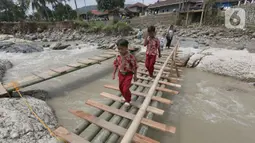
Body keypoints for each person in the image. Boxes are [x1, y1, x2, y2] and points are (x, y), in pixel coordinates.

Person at [112, 39, 138, 106]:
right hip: (121, 74)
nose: (120, 50)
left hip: (128, 74)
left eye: (122, 49)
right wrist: (114, 73)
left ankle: (128, 100)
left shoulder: (130, 57)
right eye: (119, 49)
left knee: (125, 89)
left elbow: (135, 66)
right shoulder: (118, 55)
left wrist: (135, 76)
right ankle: (125, 97)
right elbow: (116, 64)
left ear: (126, 48)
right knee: (121, 88)